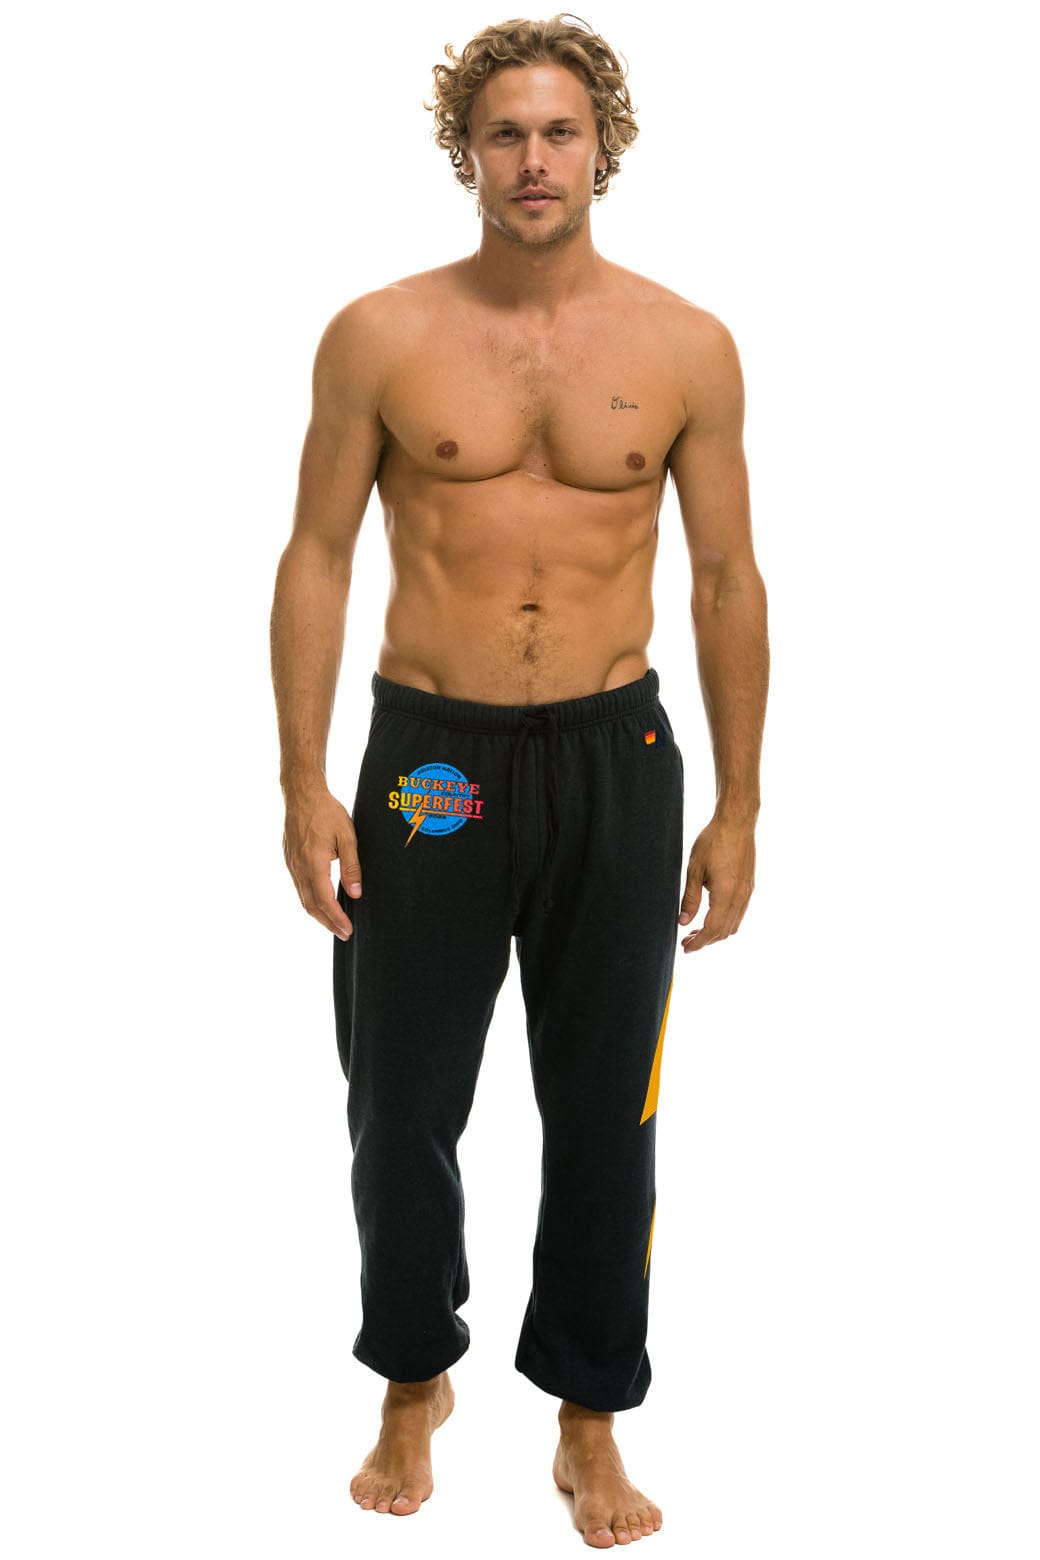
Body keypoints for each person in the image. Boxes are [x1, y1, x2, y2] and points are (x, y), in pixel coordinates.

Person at [269, 13, 769, 1549]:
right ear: (466, 152)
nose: (533, 159)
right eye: (505, 133)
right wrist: (303, 781)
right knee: (399, 1097)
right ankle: (413, 1374)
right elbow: (318, 555)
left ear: (603, 146)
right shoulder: (381, 335)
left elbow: (727, 579)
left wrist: (740, 804)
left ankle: (588, 1416)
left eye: (559, 132)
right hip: (433, 763)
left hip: (616, 762)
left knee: (608, 1109)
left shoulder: (686, 345)